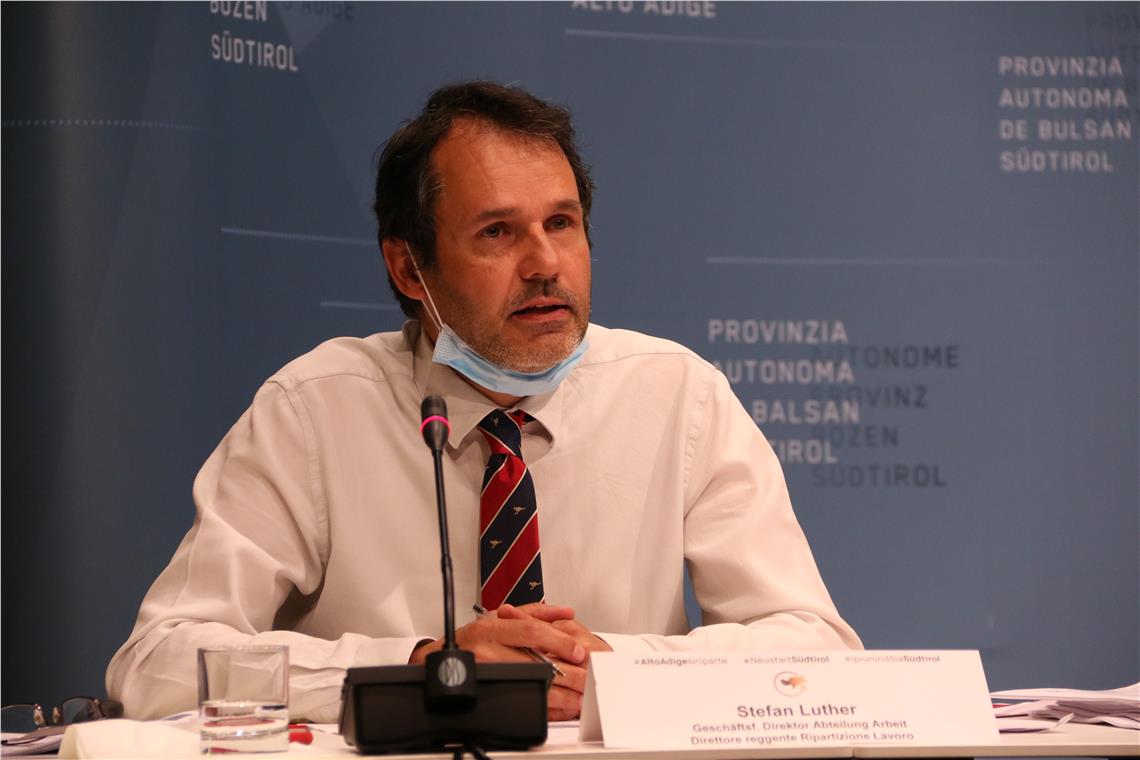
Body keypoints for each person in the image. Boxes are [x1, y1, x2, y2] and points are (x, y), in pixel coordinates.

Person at [106, 80, 861, 724]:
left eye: (561, 224)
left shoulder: (678, 397)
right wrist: (421, 669)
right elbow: (156, 663)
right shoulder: (314, 412)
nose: (545, 264)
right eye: (497, 232)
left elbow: (817, 651)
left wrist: (618, 667)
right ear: (409, 268)